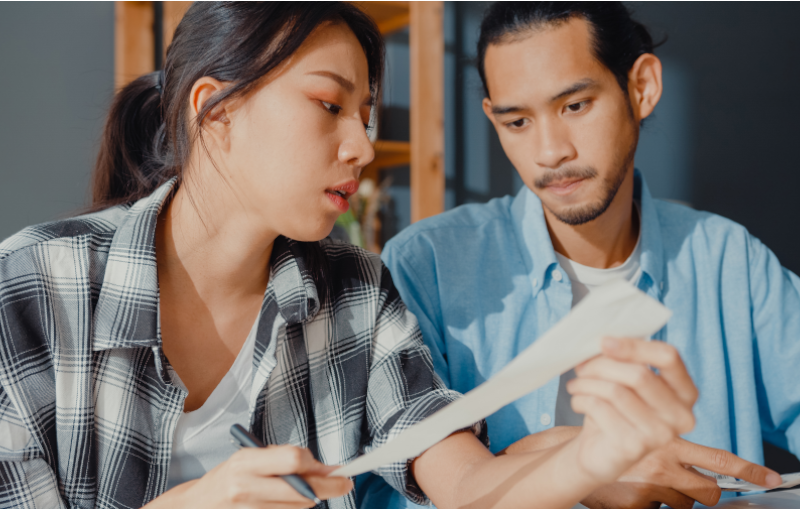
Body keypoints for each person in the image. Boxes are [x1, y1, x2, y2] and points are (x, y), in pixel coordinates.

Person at [0, 2, 701, 509]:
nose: (362, 146)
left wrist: (591, 454)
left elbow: (470, 487)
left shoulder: (357, 294)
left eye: (364, 113)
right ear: (216, 113)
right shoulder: (28, 291)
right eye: (330, 106)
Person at [374, 2, 797, 509]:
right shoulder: (427, 267)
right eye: (517, 121)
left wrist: (528, 456)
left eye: (575, 106)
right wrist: (569, 468)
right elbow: (394, 489)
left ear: (641, 87)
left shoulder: (731, 263)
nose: (550, 152)